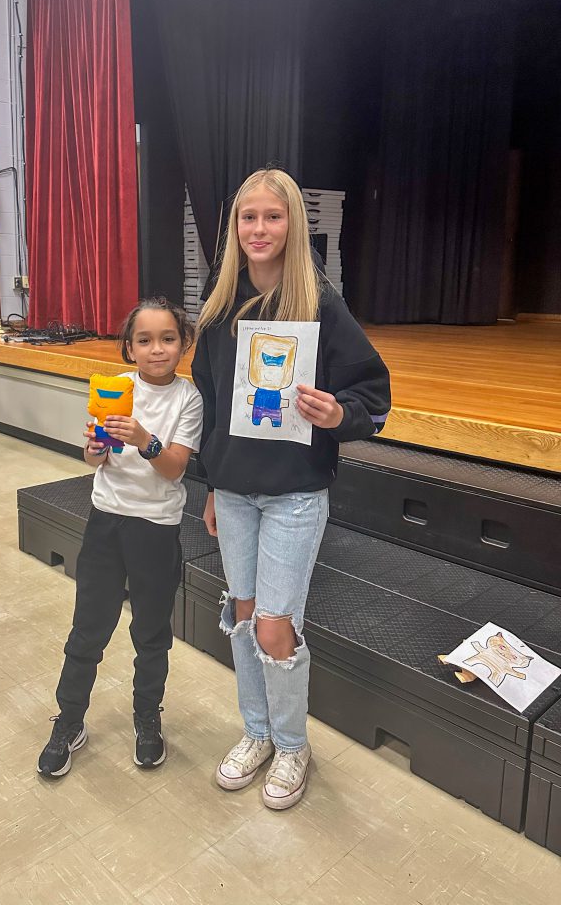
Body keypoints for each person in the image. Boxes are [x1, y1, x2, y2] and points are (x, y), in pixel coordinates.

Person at [192, 168, 391, 810]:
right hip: (236, 492)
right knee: (244, 617)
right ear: (234, 228)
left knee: (277, 627)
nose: (258, 229)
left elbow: (371, 393)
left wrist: (338, 416)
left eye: (271, 217)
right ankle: (256, 734)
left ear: (292, 225)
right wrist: (214, 486)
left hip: (294, 496)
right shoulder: (220, 309)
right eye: (247, 218)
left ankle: (292, 744)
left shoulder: (319, 305)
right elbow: (212, 406)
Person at [38, 297, 203, 778]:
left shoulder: (188, 399)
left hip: (156, 528)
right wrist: (94, 448)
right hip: (106, 521)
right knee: (88, 628)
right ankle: (68, 721)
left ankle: (147, 719)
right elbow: (95, 460)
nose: (157, 349)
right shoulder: (113, 388)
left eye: (168, 339)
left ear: (183, 344)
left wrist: (143, 439)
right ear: (128, 348)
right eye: (145, 340)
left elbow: (174, 470)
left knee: (152, 634)